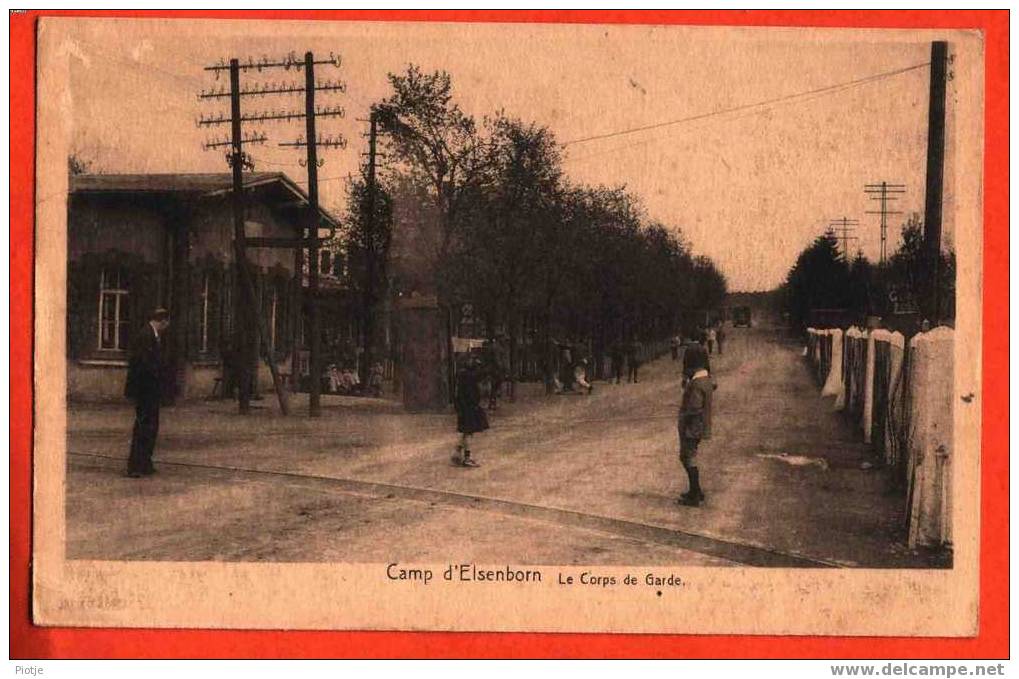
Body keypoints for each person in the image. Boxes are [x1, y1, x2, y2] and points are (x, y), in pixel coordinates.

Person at [124, 308, 170, 478]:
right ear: (163, 321)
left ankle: (145, 462)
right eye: (166, 324)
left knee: (150, 426)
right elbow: (143, 366)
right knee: (144, 426)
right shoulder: (146, 336)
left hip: (149, 390)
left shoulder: (152, 335)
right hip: (145, 390)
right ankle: (136, 465)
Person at [677, 360, 714, 507]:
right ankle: (695, 491)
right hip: (699, 426)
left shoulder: (696, 384)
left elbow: (694, 407)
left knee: (687, 457)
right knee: (687, 456)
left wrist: (684, 416)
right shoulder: (706, 381)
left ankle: (695, 494)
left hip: (692, 427)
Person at [452, 356, 489, 467]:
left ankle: (457, 452)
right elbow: (479, 376)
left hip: (465, 407)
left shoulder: (463, 375)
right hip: (469, 407)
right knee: (469, 432)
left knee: (466, 432)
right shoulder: (468, 376)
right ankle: (467, 458)